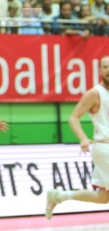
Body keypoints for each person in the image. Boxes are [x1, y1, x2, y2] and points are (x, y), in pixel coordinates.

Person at [46, 55, 109, 219]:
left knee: (102, 198)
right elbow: (73, 117)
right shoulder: (94, 94)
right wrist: (82, 137)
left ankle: (59, 196)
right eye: (105, 67)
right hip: (105, 147)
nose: (108, 70)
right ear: (100, 71)